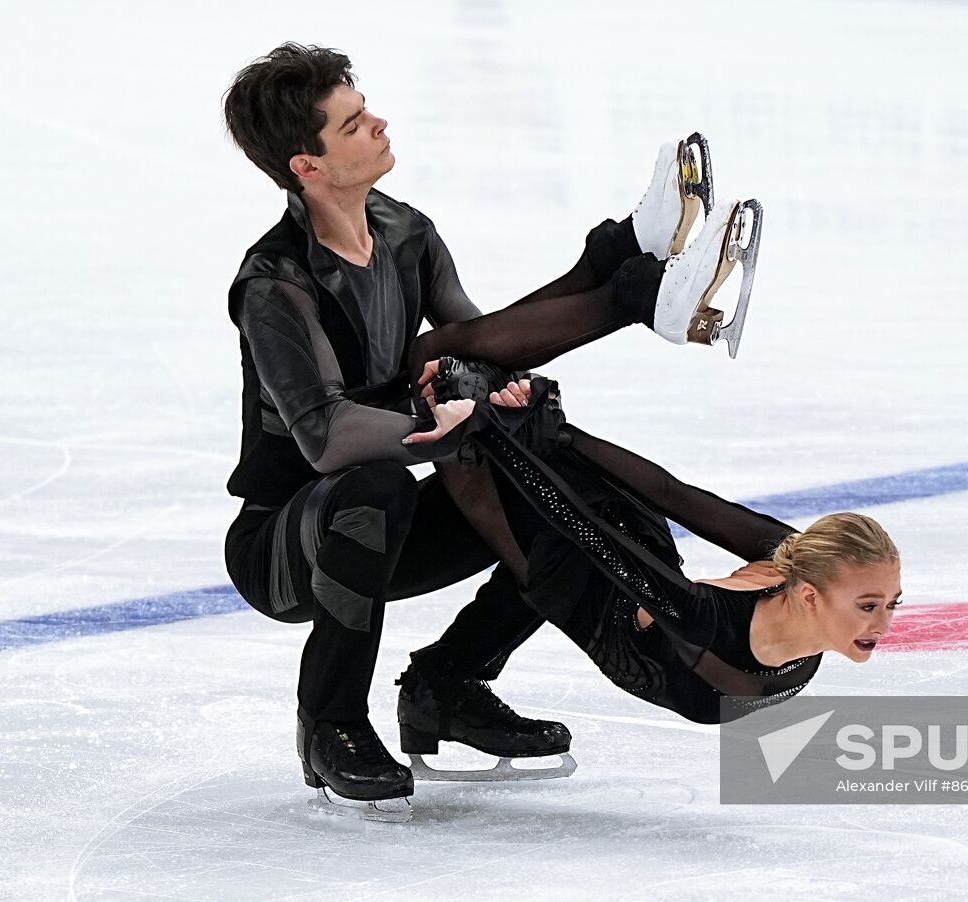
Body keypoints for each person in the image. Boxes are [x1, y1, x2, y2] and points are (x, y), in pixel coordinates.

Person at [218, 43, 762, 818]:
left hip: (387, 522)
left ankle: (447, 686)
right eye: (352, 122)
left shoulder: (404, 232)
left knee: (543, 482)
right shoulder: (274, 284)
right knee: (372, 486)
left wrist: (494, 402)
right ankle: (329, 722)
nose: (379, 123)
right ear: (308, 166)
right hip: (286, 544)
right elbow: (325, 439)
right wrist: (436, 423)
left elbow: (482, 340)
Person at [403, 366, 902, 724]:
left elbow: (676, 501)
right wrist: (541, 437)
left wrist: (556, 438)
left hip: (628, 546)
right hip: (573, 571)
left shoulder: (802, 565)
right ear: (812, 596)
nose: (884, 624)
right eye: (869, 605)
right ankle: (452, 399)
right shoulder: (707, 622)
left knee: (513, 411)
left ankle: (489, 406)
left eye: (889, 604)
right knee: (470, 392)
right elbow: (600, 527)